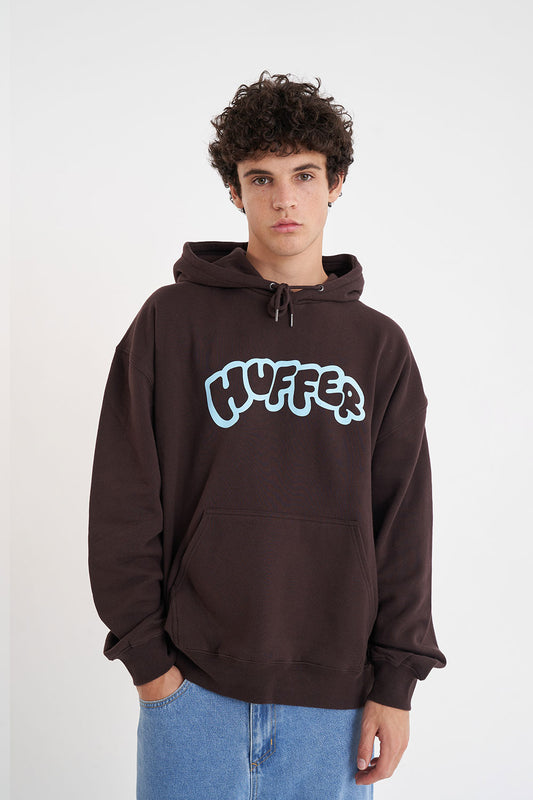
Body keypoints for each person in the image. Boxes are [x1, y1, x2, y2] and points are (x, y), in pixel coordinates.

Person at [88, 70, 447, 799]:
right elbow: (123, 500)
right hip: (191, 692)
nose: (285, 200)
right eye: (262, 178)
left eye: (304, 175)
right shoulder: (168, 324)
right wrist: (152, 668)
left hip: (337, 704)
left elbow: (403, 523)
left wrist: (396, 682)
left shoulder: (379, 348)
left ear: (336, 183)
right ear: (235, 191)